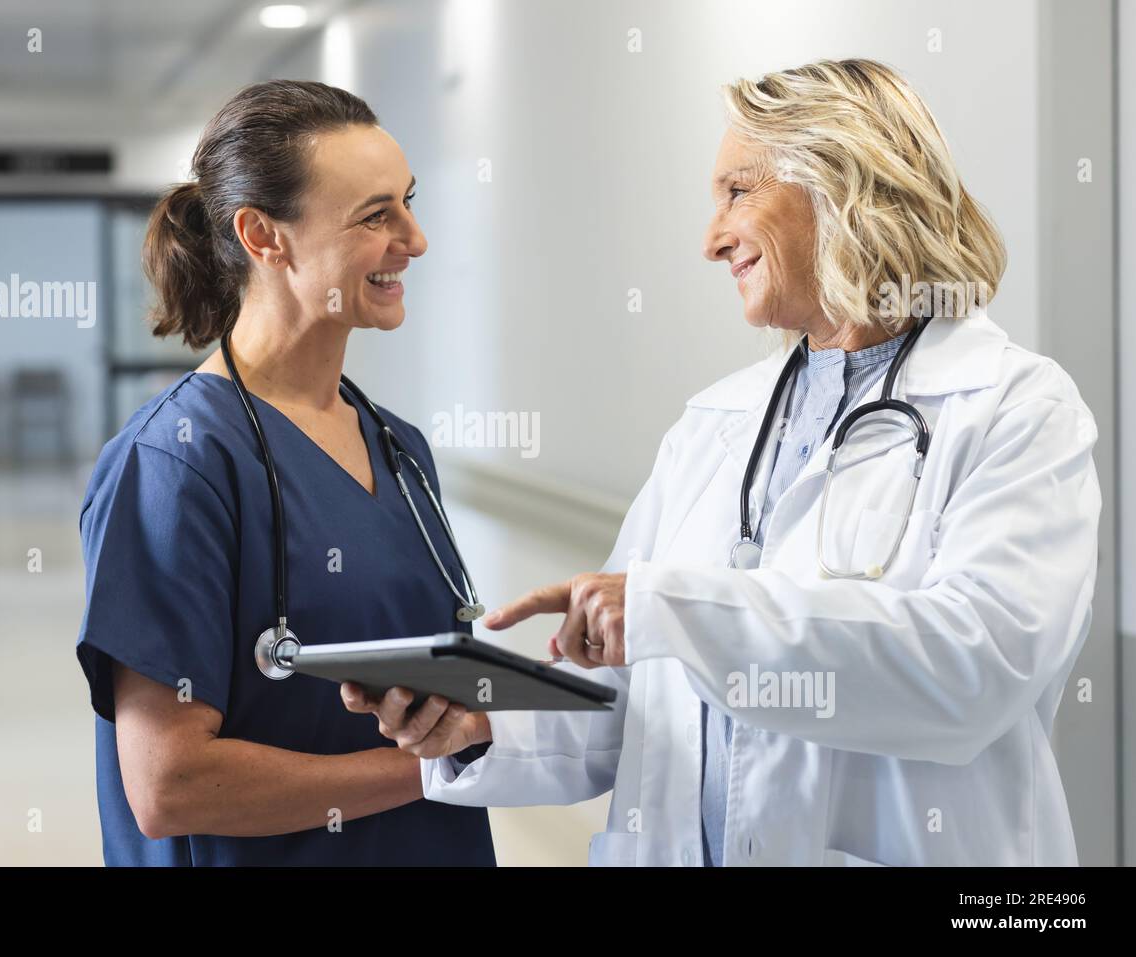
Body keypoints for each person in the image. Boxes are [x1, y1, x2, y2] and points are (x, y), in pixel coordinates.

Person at [343, 59, 1100, 866]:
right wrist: (487, 722)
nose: (711, 239)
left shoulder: (1014, 406)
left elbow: (972, 670)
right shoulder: (718, 422)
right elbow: (643, 700)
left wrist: (682, 611)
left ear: (843, 185)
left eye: (738, 191)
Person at [76, 80, 493, 866]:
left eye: (408, 201)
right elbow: (170, 785)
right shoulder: (174, 464)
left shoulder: (397, 447)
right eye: (377, 215)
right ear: (264, 236)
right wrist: (431, 766)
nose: (417, 237)